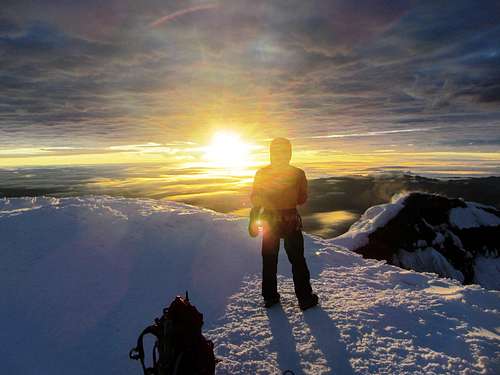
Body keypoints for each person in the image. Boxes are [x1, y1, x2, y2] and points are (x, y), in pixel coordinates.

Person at [250, 138, 318, 310]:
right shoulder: (298, 173)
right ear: (289, 153)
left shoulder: (262, 173)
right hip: (290, 221)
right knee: (297, 260)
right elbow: (302, 199)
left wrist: (253, 220)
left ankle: (270, 297)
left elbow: (255, 198)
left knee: (269, 260)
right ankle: (304, 298)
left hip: (269, 221)